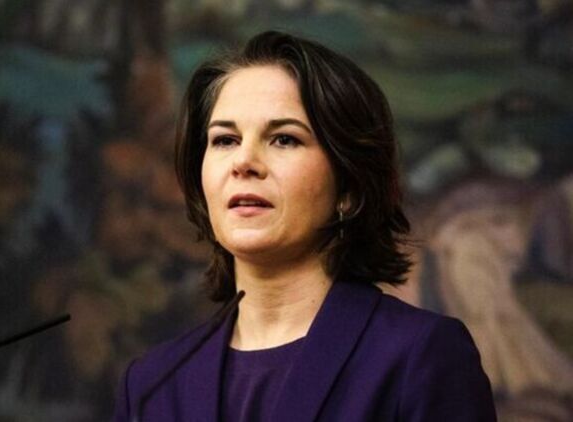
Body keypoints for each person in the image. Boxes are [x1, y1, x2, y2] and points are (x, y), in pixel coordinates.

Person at [113, 30, 496, 421]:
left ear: (348, 186)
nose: (243, 162)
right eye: (225, 140)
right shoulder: (151, 384)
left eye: (284, 139)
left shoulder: (422, 356)